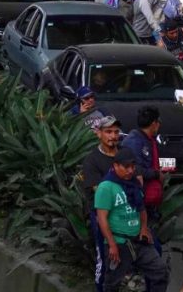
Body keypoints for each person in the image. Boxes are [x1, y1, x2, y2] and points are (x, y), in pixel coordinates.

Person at [93, 147, 169, 292]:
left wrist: (144, 228)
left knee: (160, 271)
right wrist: (112, 244)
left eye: (133, 167)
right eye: (126, 167)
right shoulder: (106, 187)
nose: (130, 171)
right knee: (112, 284)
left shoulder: (135, 184)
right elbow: (102, 219)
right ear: (116, 166)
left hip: (139, 240)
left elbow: (142, 209)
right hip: (119, 243)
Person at [81, 115, 122, 290]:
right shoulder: (92, 160)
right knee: (105, 258)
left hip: (125, 215)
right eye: (108, 132)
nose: (113, 136)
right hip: (103, 216)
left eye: (116, 132)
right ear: (98, 134)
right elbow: (99, 191)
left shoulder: (124, 154)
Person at [122, 107, 165, 229]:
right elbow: (135, 169)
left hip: (151, 198)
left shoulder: (148, 139)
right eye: (158, 122)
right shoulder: (134, 142)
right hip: (140, 199)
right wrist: (156, 174)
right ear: (154, 124)